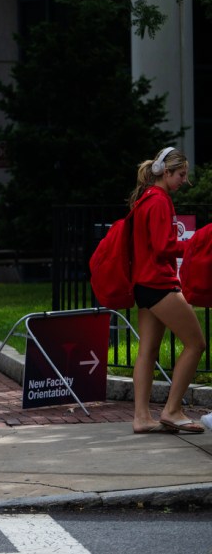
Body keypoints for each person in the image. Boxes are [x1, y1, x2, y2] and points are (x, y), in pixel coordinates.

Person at [128, 147, 206, 434]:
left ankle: (141, 417)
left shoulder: (144, 198)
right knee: (196, 343)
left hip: (143, 285)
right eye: (181, 175)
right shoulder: (160, 201)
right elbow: (163, 248)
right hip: (159, 284)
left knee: (147, 351)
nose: (184, 181)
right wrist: (195, 243)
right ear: (166, 172)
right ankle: (172, 410)